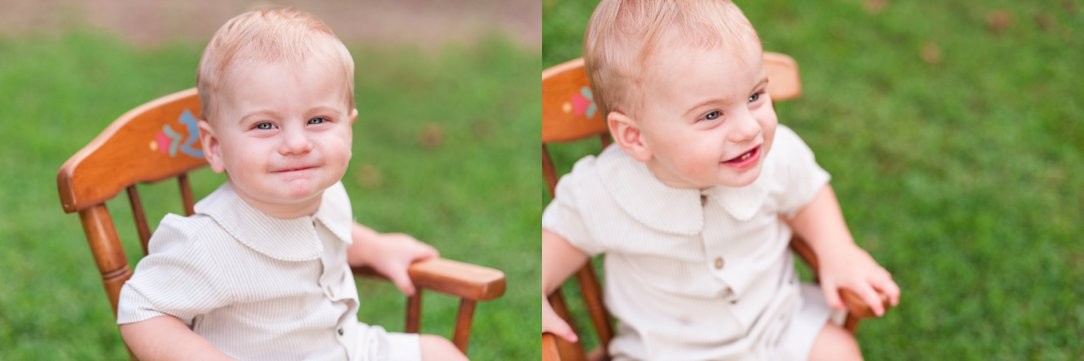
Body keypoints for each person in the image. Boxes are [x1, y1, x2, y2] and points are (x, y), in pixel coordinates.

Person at [541, 1, 901, 360]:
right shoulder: (603, 193)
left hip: (778, 328)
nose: (749, 128)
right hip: (666, 353)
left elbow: (807, 194)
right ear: (635, 137)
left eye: (755, 96)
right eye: (712, 115)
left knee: (837, 350)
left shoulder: (777, 155)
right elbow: (552, 246)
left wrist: (836, 249)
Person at [116, 8, 467, 361]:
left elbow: (327, 232)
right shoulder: (208, 243)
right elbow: (141, 309)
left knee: (439, 353)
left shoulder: (328, 194)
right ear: (215, 146)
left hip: (350, 348)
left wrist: (376, 248)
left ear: (348, 128)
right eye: (265, 126)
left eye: (318, 119)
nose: (297, 144)